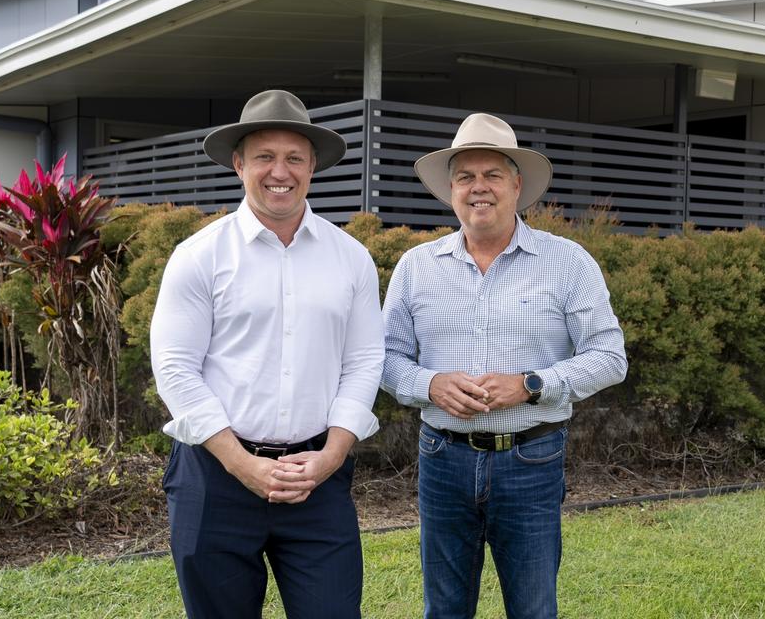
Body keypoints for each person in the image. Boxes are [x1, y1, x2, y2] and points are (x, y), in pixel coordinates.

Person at [381, 112, 627, 619]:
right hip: (442, 458)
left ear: (517, 185)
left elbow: (609, 357)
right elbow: (383, 359)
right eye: (466, 176)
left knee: (533, 608)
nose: (479, 188)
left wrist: (532, 385)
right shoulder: (416, 266)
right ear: (451, 189)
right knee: (444, 609)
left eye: (492, 175)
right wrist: (429, 384)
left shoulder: (568, 262)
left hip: (530, 460)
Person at [151, 89, 384, 619]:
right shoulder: (198, 257)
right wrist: (241, 463)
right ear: (239, 164)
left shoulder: (351, 258)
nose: (280, 171)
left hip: (317, 478)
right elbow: (174, 367)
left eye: (294, 158)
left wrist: (332, 455)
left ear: (312, 167)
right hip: (215, 480)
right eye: (264, 156)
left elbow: (365, 360)